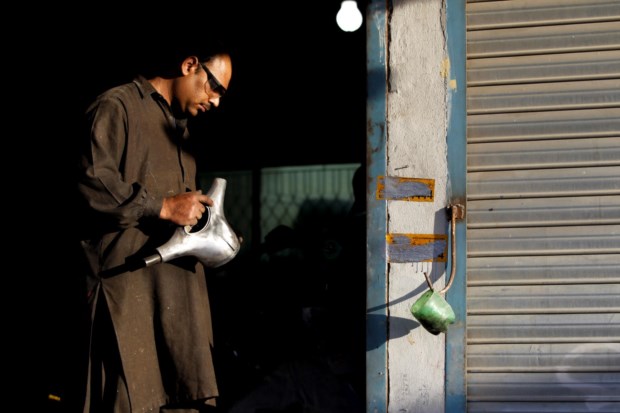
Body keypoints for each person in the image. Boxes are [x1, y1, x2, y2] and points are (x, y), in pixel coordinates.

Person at [75, 40, 233, 413]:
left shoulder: (181, 132)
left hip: (176, 307)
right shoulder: (117, 106)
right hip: (126, 298)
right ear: (190, 64)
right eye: (214, 87)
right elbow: (91, 183)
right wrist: (161, 206)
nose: (216, 102)